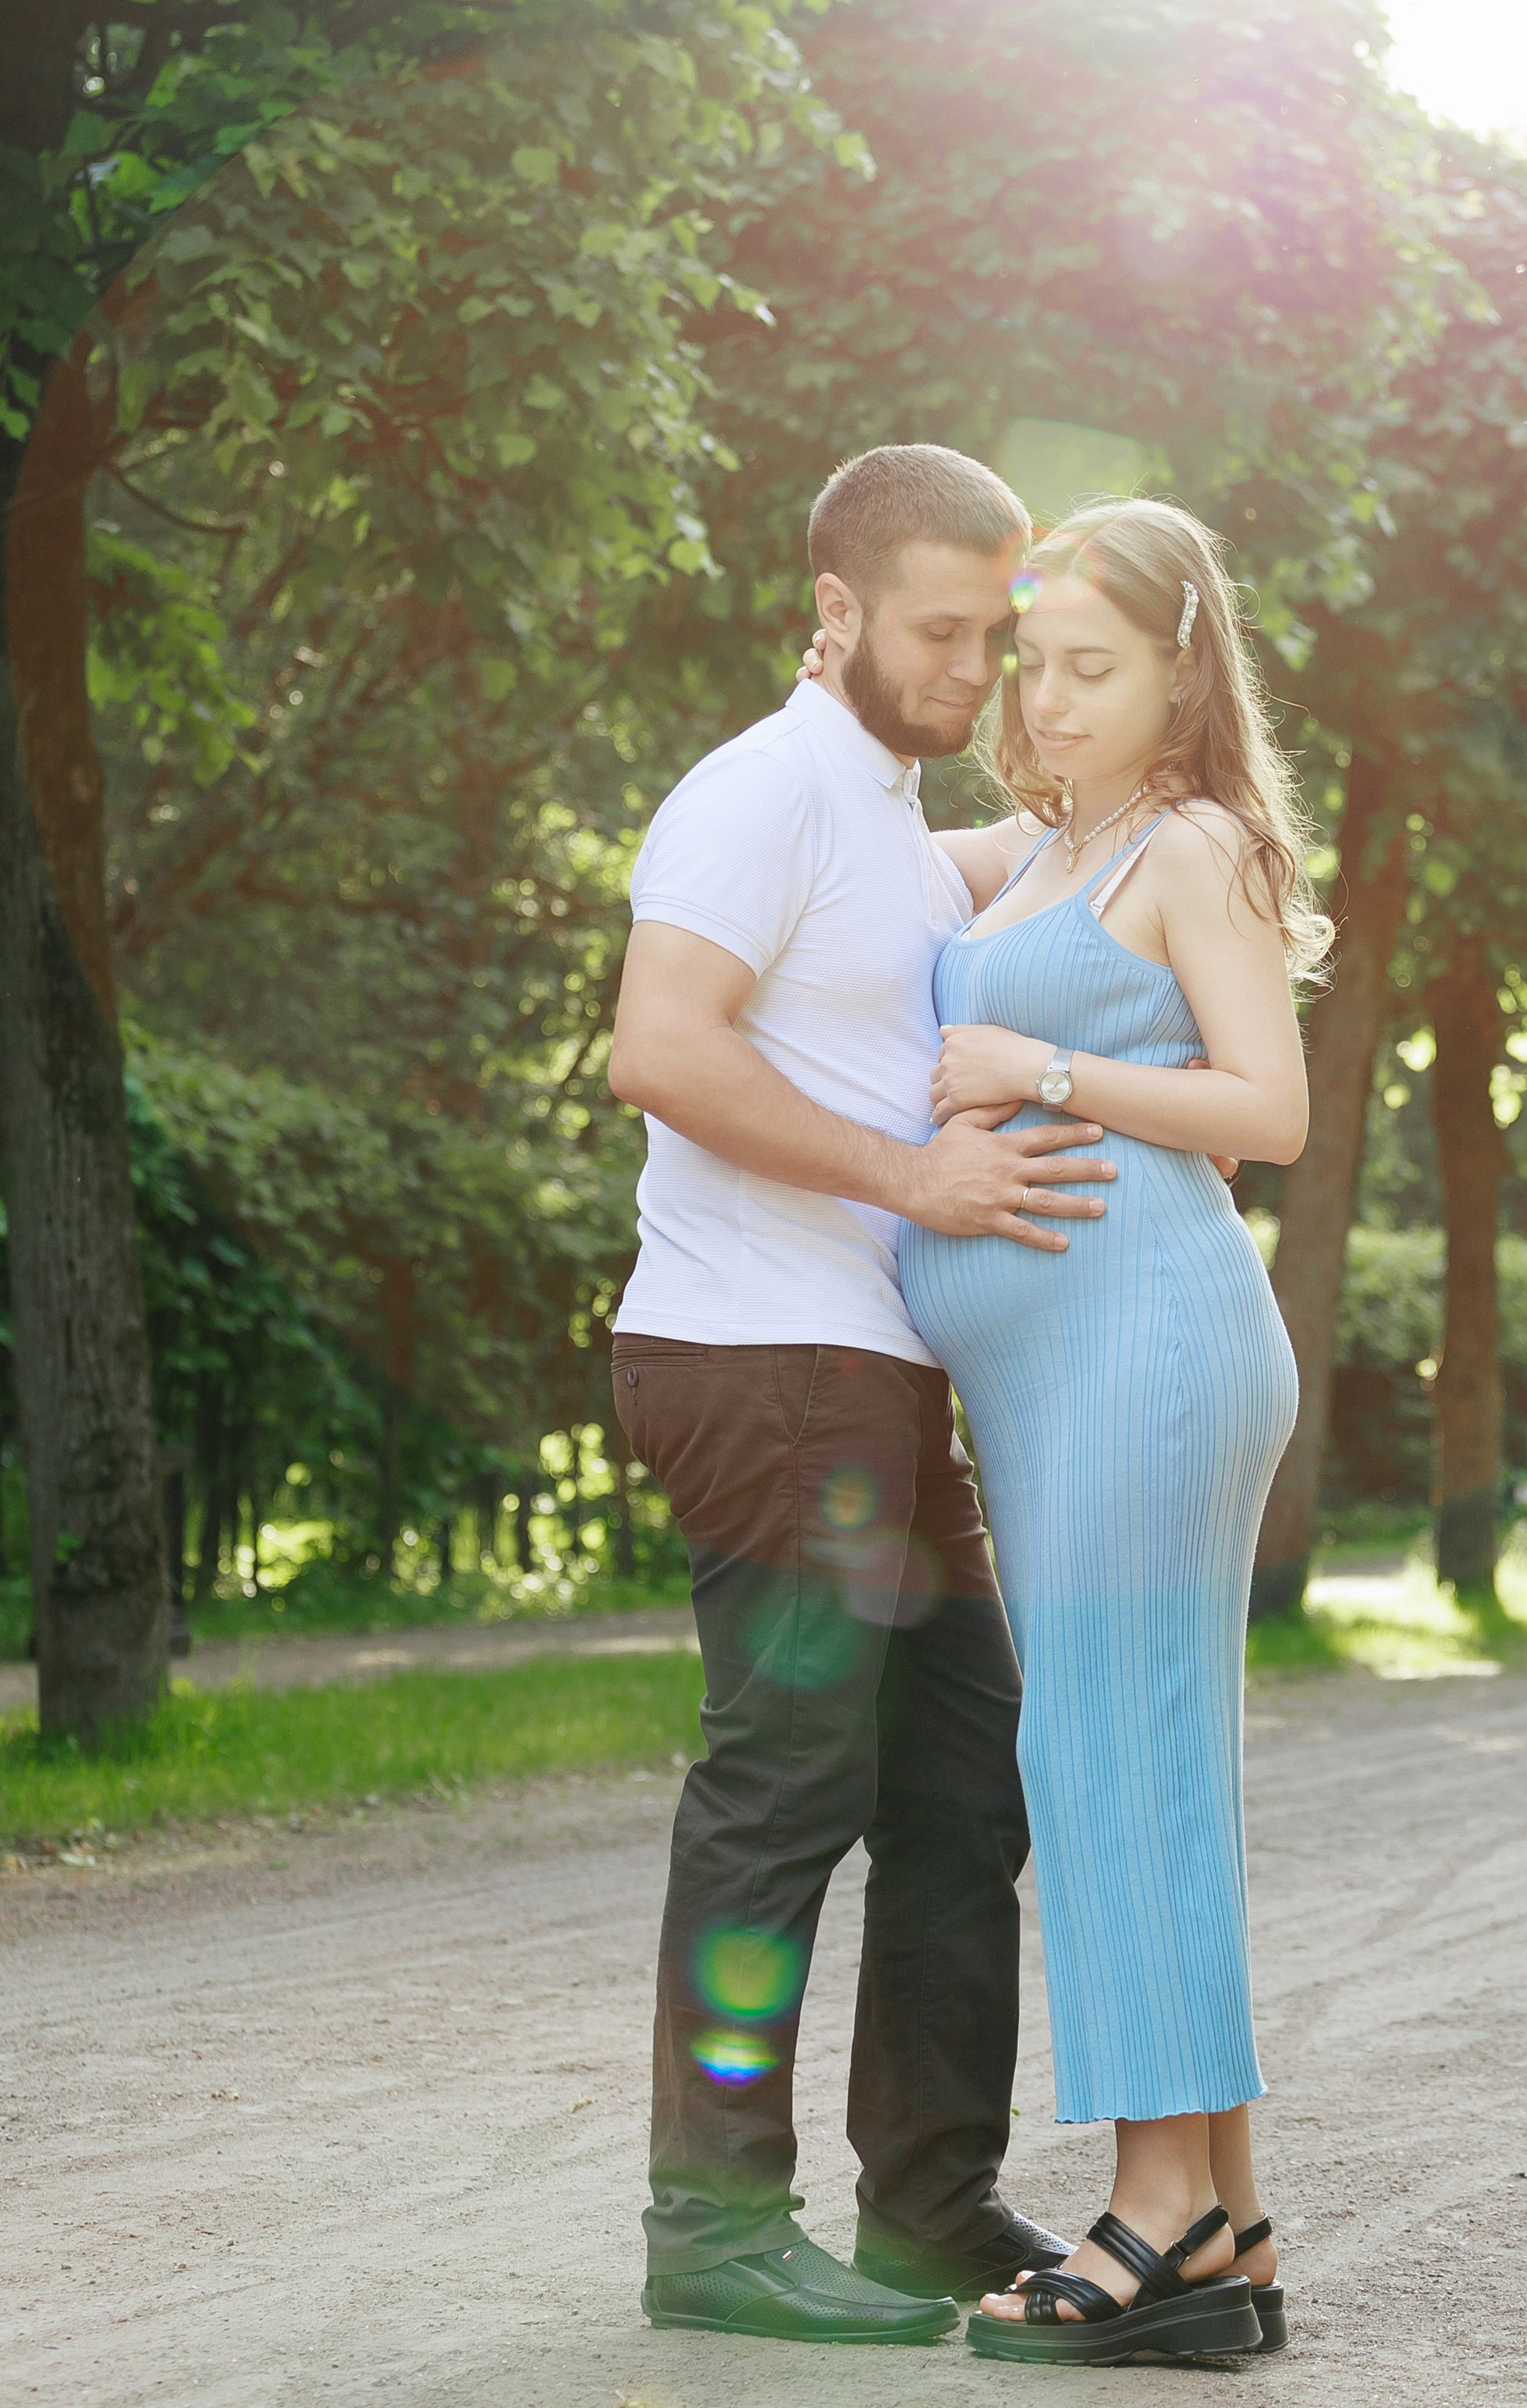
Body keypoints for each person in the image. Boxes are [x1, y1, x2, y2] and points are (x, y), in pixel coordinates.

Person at [605, 442, 1118, 2346]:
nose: (974, 671)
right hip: (759, 1358)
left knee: (964, 1776)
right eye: (940, 633)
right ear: (833, 612)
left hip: (870, 1376)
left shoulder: (889, 820)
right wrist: (914, 1178)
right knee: (787, 1784)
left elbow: (1020, 864)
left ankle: (924, 2206)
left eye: (999, 636)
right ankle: (710, 2230)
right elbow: (659, 1048)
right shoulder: (763, 791)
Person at [899, 497, 1324, 2368]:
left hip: (1146, 1348)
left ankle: (1154, 2212)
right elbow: (857, 843)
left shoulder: (1193, 844)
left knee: (1104, 1756)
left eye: (1093, 667)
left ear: (1179, 669)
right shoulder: (1044, 848)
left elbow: (1268, 1111)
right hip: (1067, 1366)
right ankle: (1218, 2215)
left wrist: (1039, 1070)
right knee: (1131, 1758)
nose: (1049, 700)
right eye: (1034, 665)